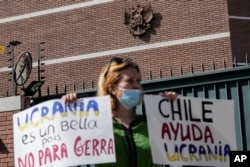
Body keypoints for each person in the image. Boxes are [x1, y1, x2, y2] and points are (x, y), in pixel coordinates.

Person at [62, 57, 177, 167]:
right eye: (130, 81)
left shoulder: (150, 124)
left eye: (138, 80)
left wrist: (172, 109)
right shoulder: (97, 126)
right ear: (112, 88)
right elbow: (67, 146)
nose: (137, 86)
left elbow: (178, 151)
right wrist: (66, 111)